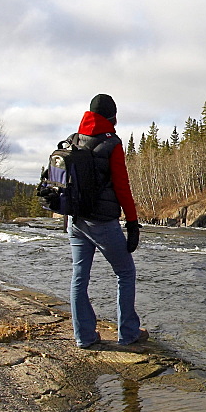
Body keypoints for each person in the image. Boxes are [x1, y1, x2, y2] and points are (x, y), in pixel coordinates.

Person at [68, 93, 147, 349]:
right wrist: (132, 224)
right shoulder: (112, 143)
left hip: (76, 221)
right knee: (125, 273)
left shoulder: (74, 140)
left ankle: (85, 337)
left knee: (79, 277)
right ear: (112, 116)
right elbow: (122, 186)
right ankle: (128, 334)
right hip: (103, 222)